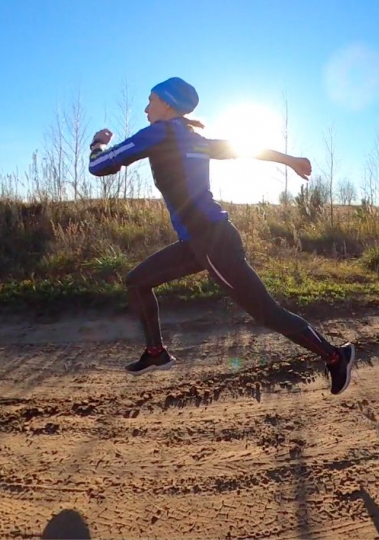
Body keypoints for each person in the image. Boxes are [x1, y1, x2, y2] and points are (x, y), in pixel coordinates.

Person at [87, 77, 356, 395]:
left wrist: (97, 143)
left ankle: (335, 356)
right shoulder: (194, 139)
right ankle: (156, 352)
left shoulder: (160, 133)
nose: (146, 108)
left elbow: (100, 166)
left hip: (212, 242)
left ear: (168, 103)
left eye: (151, 101)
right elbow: (246, 149)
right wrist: (290, 160)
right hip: (199, 242)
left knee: (265, 312)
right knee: (137, 282)